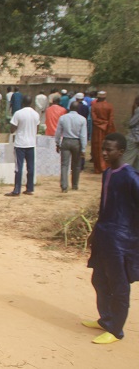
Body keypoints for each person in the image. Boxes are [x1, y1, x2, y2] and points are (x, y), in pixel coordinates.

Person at [82, 133, 139, 344]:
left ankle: (116, 330)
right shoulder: (107, 173)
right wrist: (95, 232)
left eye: (109, 150)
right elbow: (104, 207)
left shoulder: (131, 177)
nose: (104, 153)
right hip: (105, 236)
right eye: (103, 148)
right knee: (98, 279)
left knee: (119, 285)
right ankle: (105, 319)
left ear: (121, 152)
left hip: (121, 241)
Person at [5, 96, 39, 197]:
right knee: (30, 167)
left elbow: (12, 129)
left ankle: (17, 190)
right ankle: (29, 188)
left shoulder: (18, 113)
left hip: (20, 143)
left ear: (22, 103)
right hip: (31, 143)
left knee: (18, 167)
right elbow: (36, 128)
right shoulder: (35, 114)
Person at [55, 102, 87, 193]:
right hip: (76, 142)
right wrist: (83, 148)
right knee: (76, 165)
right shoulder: (82, 119)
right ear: (78, 109)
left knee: (64, 164)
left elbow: (58, 132)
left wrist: (57, 143)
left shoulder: (63, 118)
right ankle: (75, 185)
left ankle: (64, 186)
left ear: (69, 107)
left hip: (65, 141)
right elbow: (83, 135)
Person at [91, 91, 116, 174]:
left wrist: (102, 124)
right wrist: (107, 126)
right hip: (107, 129)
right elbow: (111, 120)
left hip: (97, 130)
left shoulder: (94, 106)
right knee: (108, 147)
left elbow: (94, 119)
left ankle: (98, 168)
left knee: (97, 148)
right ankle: (107, 166)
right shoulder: (110, 106)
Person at [123, 96, 139, 170]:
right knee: (136, 161)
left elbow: (131, 123)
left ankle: (124, 176)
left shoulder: (138, 110)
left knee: (127, 159)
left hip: (134, 137)